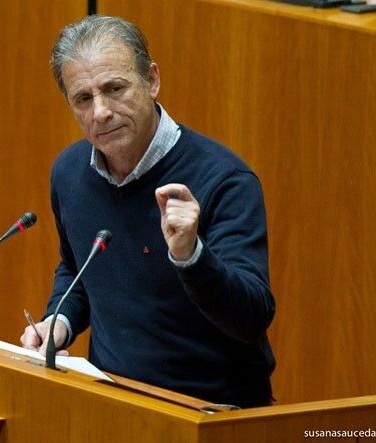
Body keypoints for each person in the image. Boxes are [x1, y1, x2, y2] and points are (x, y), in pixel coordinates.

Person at [20, 15, 276, 408]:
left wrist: (191, 256)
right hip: (112, 403)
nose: (100, 112)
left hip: (210, 412)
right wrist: (60, 321)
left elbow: (252, 317)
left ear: (152, 80)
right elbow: (77, 267)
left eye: (115, 89)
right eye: (83, 99)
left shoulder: (224, 180)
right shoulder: (70, 172)